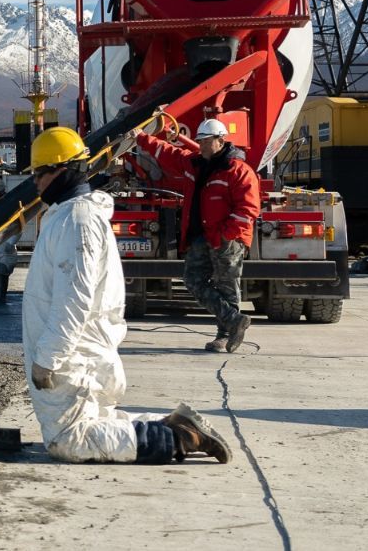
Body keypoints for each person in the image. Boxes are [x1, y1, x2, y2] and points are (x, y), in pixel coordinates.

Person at [23, 127, 231, 464]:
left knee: (70, 440)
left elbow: (73, 298)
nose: (35, 181)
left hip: (76, 359)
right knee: (95, 427)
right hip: (81, 355)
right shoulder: (69, 216)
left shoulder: (78, 219)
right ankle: (176, 426)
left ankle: (181, 436)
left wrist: (48, 357)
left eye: (40, 172)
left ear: (63, 170)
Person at [132, 118, 259, 352]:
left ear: (221, 140)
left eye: (206, 141)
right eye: (199, 141)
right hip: (201, 236)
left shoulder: (238, 171)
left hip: (226, 239)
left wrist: (226, 235)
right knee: (193, 280)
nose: (201, 145)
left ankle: (224, 335)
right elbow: (168, 153)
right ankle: (234, 320)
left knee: (227, 285)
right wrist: (141, 137)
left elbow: (248, 208)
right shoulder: (194, 164)